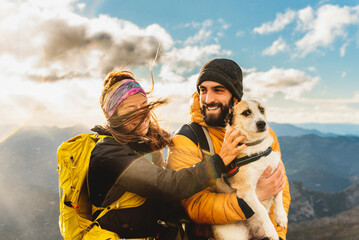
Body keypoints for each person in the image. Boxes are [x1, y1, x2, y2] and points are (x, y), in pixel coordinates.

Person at [87, 70, 246, 240]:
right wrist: (219, 161)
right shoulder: (109, 154)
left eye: (143, 105)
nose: (142, 114)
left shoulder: (140, 146)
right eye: (130, 108)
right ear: (113, 115)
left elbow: (162, 202)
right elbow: (168, 186)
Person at [167, 58, 291, 240]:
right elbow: (195, 206)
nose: (208, 99)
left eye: (218, 90)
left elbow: (280, 187)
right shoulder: (187, 138)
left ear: (234, 98)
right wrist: (247, 201)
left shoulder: (263, 134)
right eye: (203, 90)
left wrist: (277, 235)